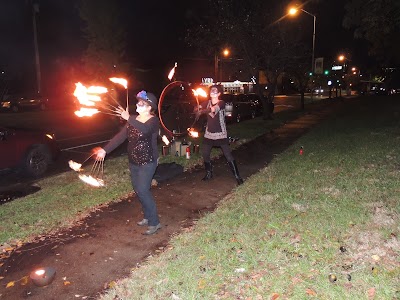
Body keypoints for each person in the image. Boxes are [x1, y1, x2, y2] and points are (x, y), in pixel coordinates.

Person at [94, 90, 161, 235]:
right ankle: (148, 216)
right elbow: (120, 137)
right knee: (139, 190)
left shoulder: (153, 121)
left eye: (141, 103)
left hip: (148, 161)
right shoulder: (134, 119)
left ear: (149, 107)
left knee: (143, 190)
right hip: (134, 161)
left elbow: (144, 130)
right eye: (138, 102)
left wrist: (128, 117)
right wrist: (105, 150)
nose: (138, 105)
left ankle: (155, 222)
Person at [196, 85, 244, 185]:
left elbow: (213, 109)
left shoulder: (221, 103)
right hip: (209, 134)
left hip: (221, 134)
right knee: (205, 154)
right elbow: (197, 108)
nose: (212, 92)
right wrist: (197, 108)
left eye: (215, 91)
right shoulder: (206, 102)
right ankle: (209, 173)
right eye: (211, 90)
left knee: (228, 155)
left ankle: (237, 176)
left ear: (219, 93)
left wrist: (202, 111)